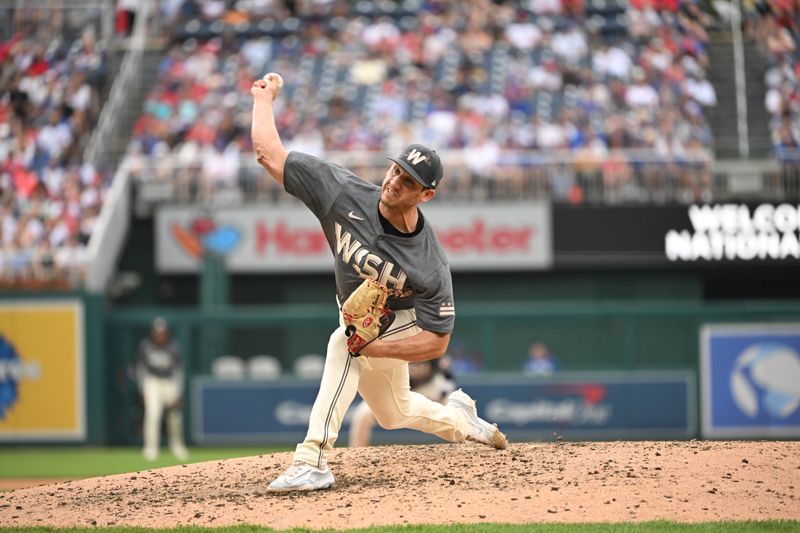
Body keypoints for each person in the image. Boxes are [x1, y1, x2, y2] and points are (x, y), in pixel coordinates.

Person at [251, 72, 507, 493]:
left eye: (408, 181)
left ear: (426, 195)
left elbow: (438, 340)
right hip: (361, 314)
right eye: (395, 170)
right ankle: (462, 419)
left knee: (344, 342)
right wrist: (263, 98)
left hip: (400, 319)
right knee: (393, 412)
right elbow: (269, 154)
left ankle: (312, 459)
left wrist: (375, 345)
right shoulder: (343, 193)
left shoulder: (429, 261)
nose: (394, 182)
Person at [348, 358, 457, 447]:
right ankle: (356, 451)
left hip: (428, 389)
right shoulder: (392, 343)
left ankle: (466, 447)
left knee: (453, 407)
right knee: (362, 414)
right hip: (399, 392)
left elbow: (447, 377)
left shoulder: (428, 341)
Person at [136, 317, 188, 461]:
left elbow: (179, 371)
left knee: (175, 416)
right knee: (153, 414)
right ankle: (150, 448)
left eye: (162, 332)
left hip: (169, 382)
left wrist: (179, 391)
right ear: (153, 332)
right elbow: (141, 369)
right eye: (157, 332)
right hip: (152, 382)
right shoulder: (145, 346)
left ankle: (177, 446)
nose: (160, 335)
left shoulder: (174, 347)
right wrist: (141, 388)